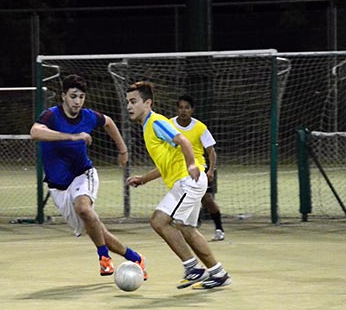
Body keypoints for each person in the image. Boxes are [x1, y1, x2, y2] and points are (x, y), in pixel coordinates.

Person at [30, 74, 148, 278]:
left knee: (83, 207)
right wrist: (72, 136)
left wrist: (123, 150)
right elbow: (35, 132)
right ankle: (135, 258)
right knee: (96, 229)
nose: (77, 101)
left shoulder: (88, 116)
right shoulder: (51, 115)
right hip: (58, 187)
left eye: (81, 97)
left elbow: (109, 122)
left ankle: (104, 257)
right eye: (73, 96)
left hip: (83, 174)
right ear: (63, 96)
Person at [125, 81, 231, 289]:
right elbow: (167, 163)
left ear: (147, 103)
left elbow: (183, 140)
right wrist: (143, 179)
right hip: (185, 182)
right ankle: (218, 273)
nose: (129, 106)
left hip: (188, 181)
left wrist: (192, 164)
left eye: (133, 101)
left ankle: (193, 268)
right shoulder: (148, 127)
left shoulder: (155, 122)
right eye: (127, 102)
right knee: (187, 229)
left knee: (160, 221)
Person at [171, 94, 226, 241]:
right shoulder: (169, 125)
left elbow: (211, 151)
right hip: (177, 168)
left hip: (198, 167)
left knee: (206, 199)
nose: (183, 111)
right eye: (181, 108)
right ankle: (187, 227)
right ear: (177, 109)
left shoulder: (200, 127)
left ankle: (219, 228)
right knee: (180, 198)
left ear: (192, 110)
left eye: (187, 108)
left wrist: (211, 170)